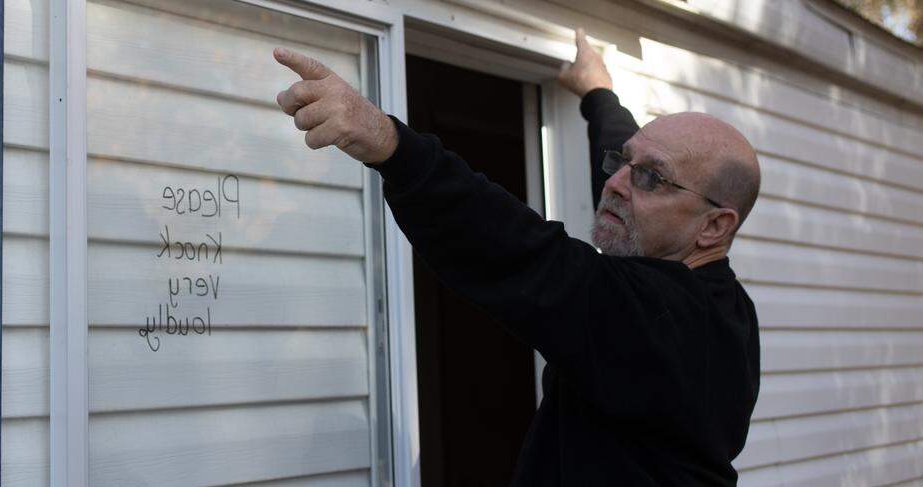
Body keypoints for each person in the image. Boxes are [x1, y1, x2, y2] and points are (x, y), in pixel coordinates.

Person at [273, 29, 761, 486]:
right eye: (623, 162)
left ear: (715, 226)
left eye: (650, 178)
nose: (615, 183)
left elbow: (525, 253)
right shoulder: (723, 299)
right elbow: (627, 160)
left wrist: (390, 145)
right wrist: (599, 95)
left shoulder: (668, 324)